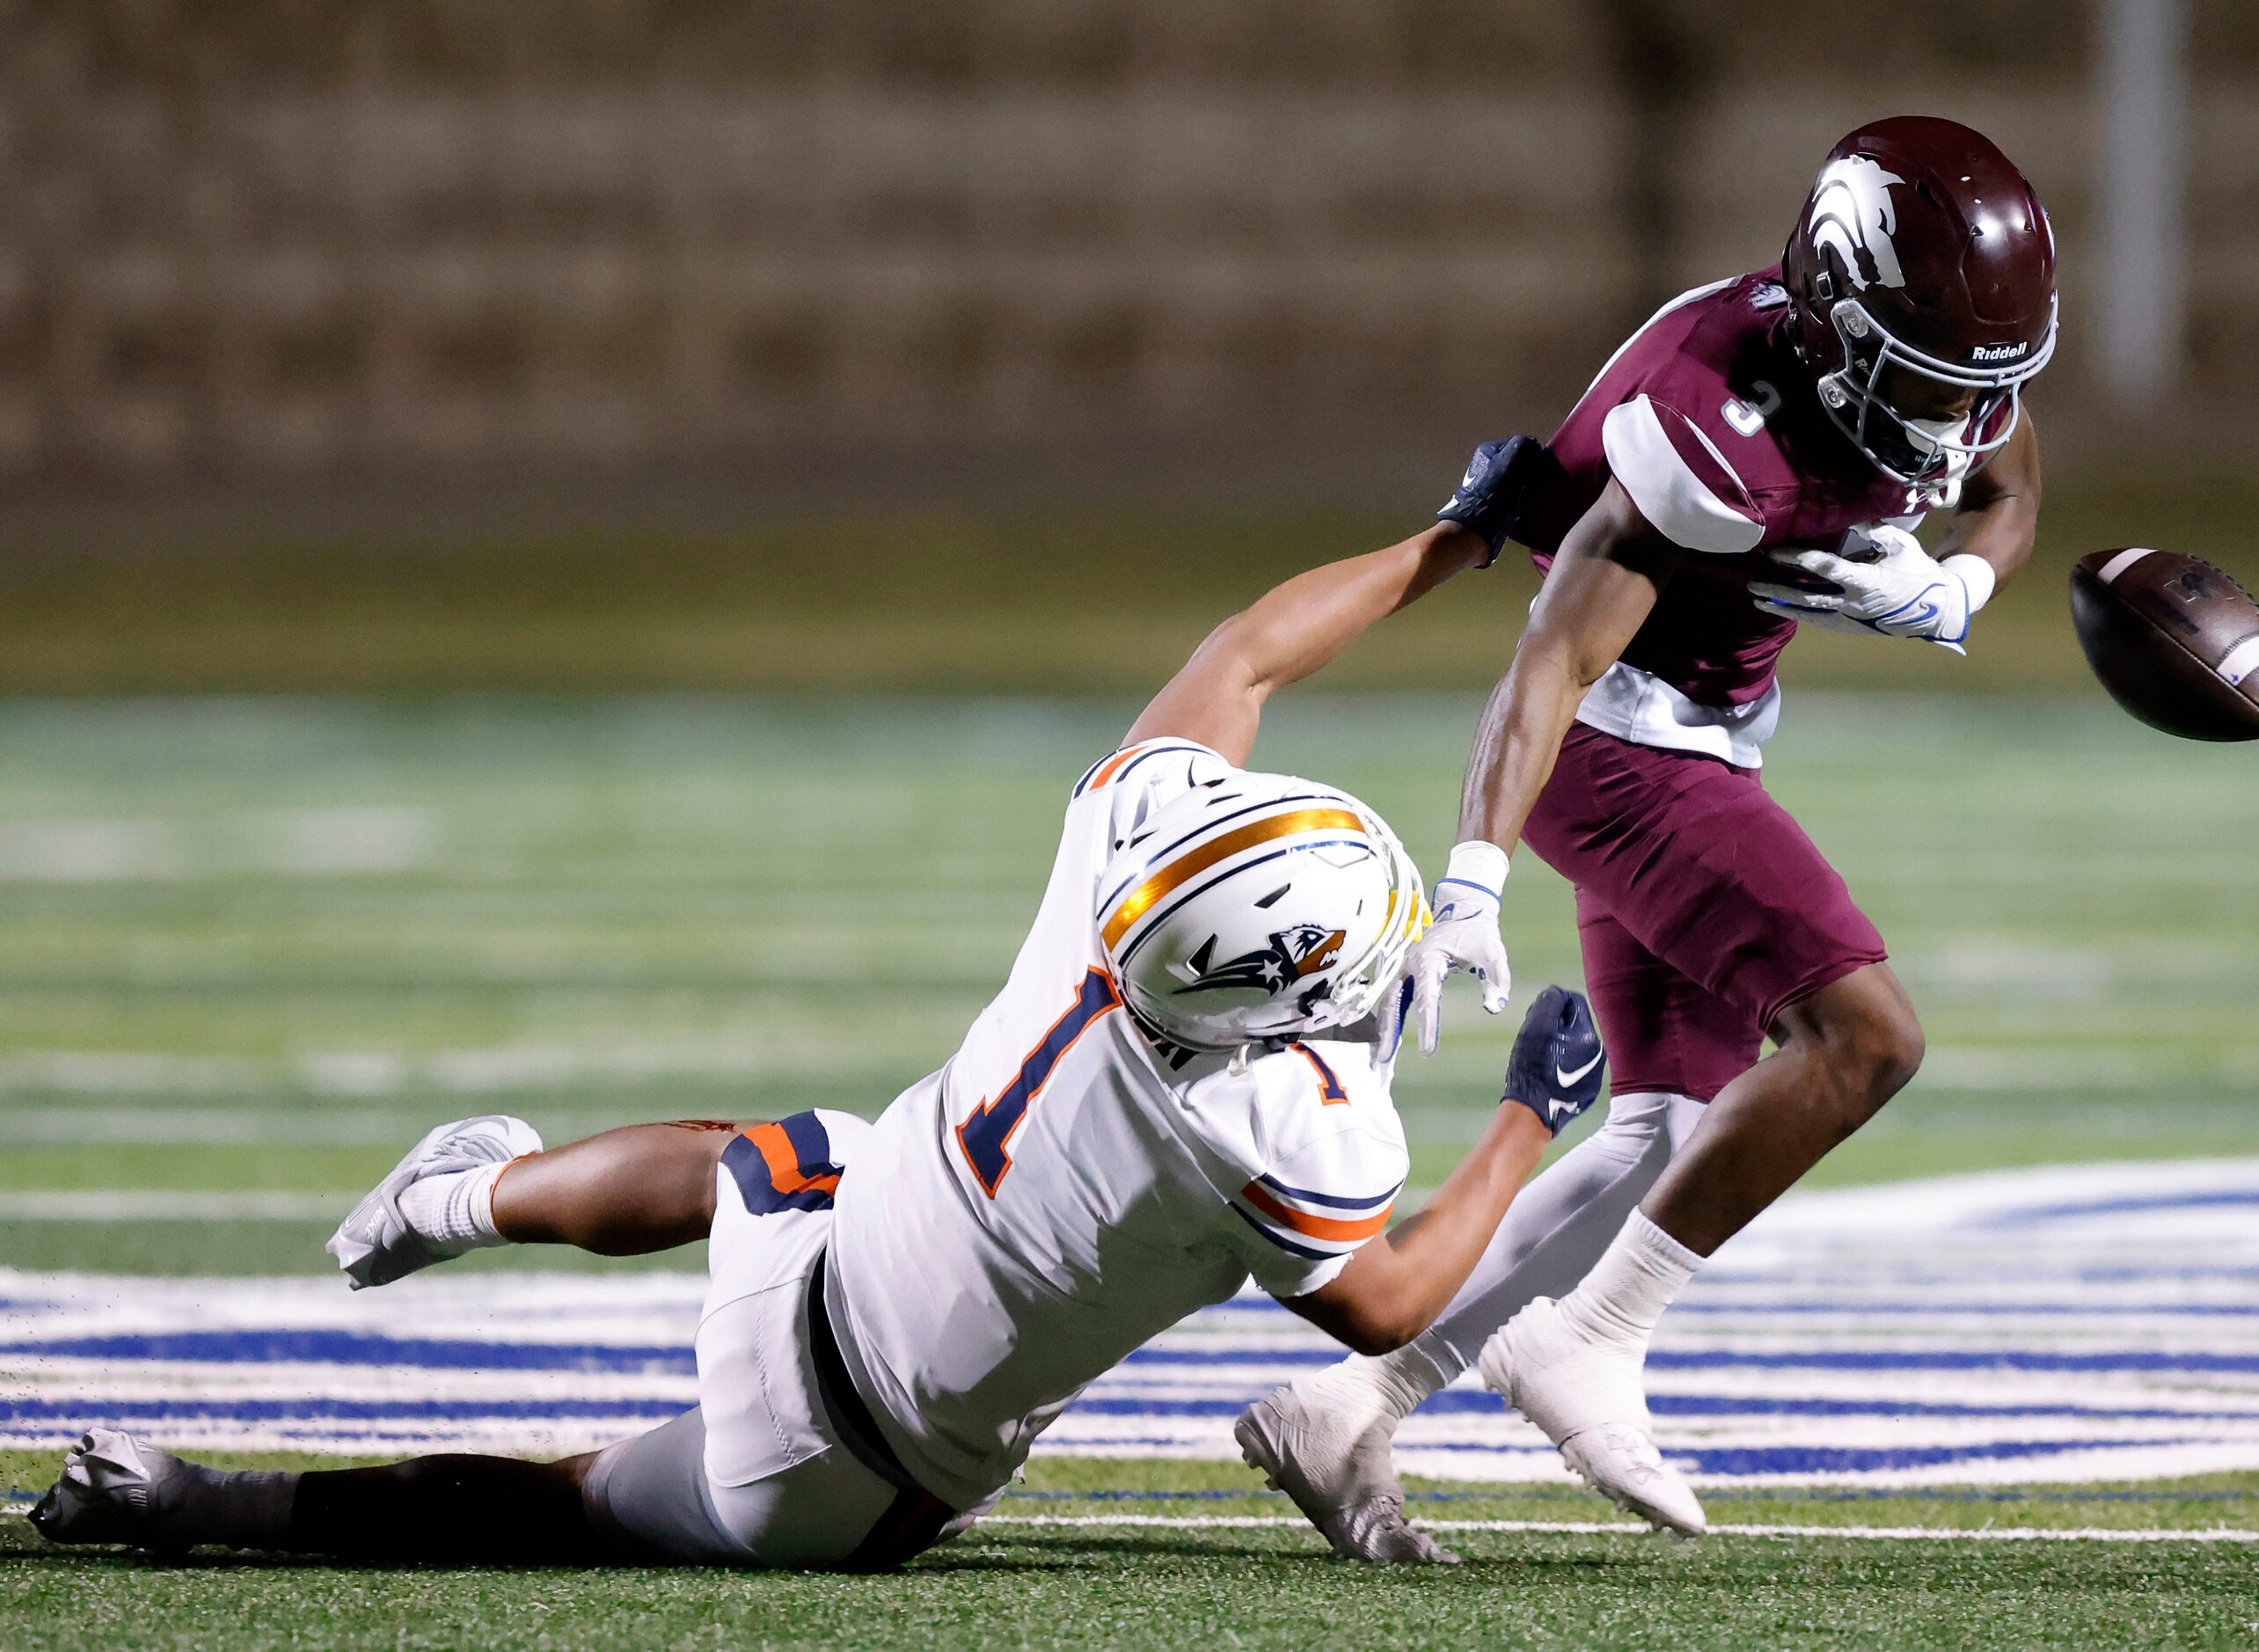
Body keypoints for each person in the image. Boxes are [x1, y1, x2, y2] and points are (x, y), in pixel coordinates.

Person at [29, 521, 1611, 1572]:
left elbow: (1252, 649)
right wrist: (1530, 1116)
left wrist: (1453, 534)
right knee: (572, 1510)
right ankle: (205, 1502)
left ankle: (469, 1197)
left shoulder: (1126, 844)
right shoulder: (1278, 1126)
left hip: (810, 1247)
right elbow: (1389, 1297)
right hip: (858, 1489)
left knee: (784, 1154)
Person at [1239, 115, 2058, 1553]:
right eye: (1921, 381)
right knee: (1866, 1040)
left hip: (1709, 733)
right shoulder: (1710, 421)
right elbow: (1550, 660)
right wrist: (1473, 876)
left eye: (1967, 385)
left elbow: (2007, 481)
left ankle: (1354, 1400)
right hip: (1615, 746)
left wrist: (1966, 586)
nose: (1947, 421)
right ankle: (1595, 1336)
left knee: (1665, 1128)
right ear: (1832, 323)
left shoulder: (1939, 366)